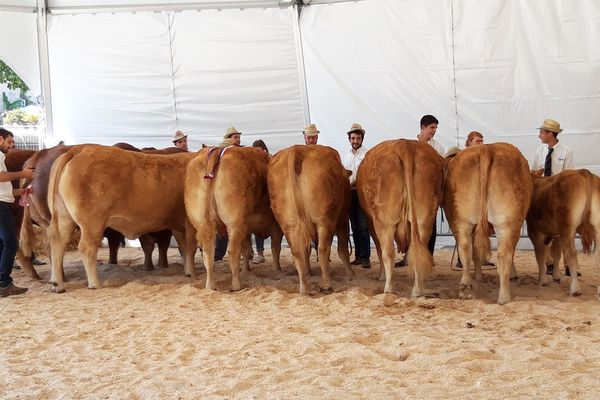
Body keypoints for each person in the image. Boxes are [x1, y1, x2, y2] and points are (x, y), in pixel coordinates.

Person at [530, 118, 575, 276]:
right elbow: (535, 171)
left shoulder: (566, 151)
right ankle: (549, 262)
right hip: (543, 194)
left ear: (550, 134)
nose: (539, 135)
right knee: (546, 228)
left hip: (559, 194)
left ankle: (568, 263)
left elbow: (568, 175)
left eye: (541, 132)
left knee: (564, 230)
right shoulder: (540, 151)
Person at [451, 131, 495, 271]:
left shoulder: (485, 158)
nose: (481, 144)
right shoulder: (461, 159)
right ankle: (461, 259)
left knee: (479, 229)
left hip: (482, 197)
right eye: (477, 141)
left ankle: (481, 258)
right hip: (466, 198)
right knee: (464, 230)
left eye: (482, 141)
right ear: (468, 142)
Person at [0, 128, 34, 297]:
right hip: (0, 206)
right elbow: (0, 177)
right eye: (9, 141)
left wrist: (21, 193)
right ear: (0, 139)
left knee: (2, 243)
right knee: (11, 243)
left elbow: (3, 187)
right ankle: (4, 283)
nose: (11, 145)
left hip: (3, 202)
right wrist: (24, 173)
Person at [342, 123, 371, 268]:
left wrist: (354, 182)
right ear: (349, 139)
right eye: (353, 138)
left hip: (362, 193)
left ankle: (365, 257)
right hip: (350, 194)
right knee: (354, 225)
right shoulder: (346, 156)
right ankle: (358, 255)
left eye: (358, 138)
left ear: (362, 139)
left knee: (363, 225)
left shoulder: (367, 154)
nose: (355, 141)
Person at [214, 127, 243, 262]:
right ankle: (219, 253)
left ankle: (221, 253)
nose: (238, 139)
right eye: (235, 137)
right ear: (229, 138)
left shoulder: (236, 152)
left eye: (238, 137)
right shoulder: (226, 152)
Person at [250, 139, 269, 264]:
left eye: (259, 150)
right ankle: (260, 253)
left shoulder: (271, 160)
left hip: (269, 199)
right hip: (259, 200)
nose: (257, 153)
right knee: (257, 228)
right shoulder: (253, 164)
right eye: (255, 151)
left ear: (264, 150)